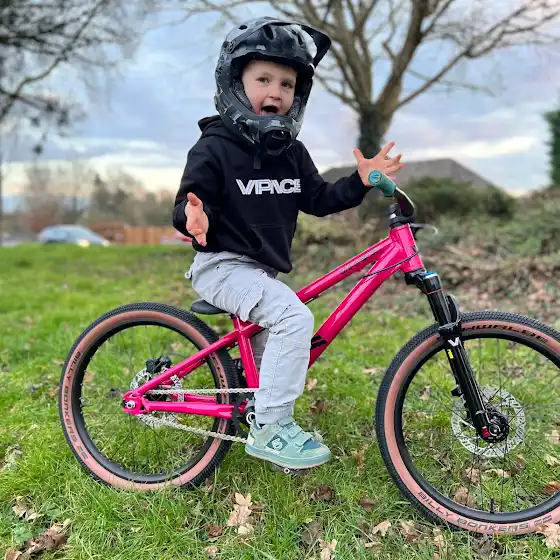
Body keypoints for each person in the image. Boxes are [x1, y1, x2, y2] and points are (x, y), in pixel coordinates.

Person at [173, 17, 404, 470]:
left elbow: (319, 199)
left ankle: (259, 411)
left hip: (259, 272)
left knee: (270, 359)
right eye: (263, 79)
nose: (275, 92)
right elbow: (188, 200)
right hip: (220, 265)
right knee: (293, 317)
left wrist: (359, 181)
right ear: (234, 83)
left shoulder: (291, 153)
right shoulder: (214, 146)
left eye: (287, 84)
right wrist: (191, 216)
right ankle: (271, 427)